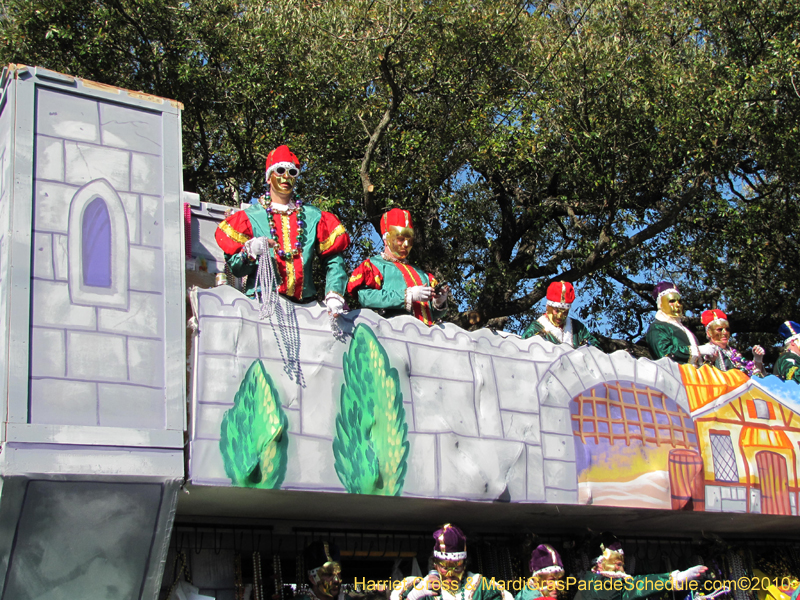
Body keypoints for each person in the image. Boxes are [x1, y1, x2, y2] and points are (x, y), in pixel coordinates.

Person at [214, 144, 350, 315]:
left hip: (305, 310)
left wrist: (334, 294)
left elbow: (333, 260)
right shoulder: (248, 217)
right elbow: (237, 269)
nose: (286, 176)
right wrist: (250, 251)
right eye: (279, 170)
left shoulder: (314, 217)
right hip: (262, 307)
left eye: (292, 172)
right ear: (269, 177)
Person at [347, 208, 449, 326]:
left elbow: (430, 315)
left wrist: (438, 303)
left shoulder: (422, 274)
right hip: (392, 335)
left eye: (409, 239)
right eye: (400, 239)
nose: (405, 245)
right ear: (386, 239)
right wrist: (406, 296)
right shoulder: (374, 266)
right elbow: (365, 297)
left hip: (425, 340)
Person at [390, 524, 513, 600]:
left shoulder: (480, 587)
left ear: (465, 565)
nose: (450, 574)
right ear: (436, 565)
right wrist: (413, 596)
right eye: (445, 567)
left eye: (456, 568)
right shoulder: (418, 587)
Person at [572, 534, 707, 600]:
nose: (622, 570)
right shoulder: (594, 588)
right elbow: (632, 588)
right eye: (618, 565)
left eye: (622, 565)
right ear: (599, 564)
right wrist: (673, 579)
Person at [645, 282, 713, 365]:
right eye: (672, 301)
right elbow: (664, 353)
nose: (678, 305)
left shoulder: (686, 330)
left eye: (679, 301)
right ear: (661, 304)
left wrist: (707, 358)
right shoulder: (657, 327)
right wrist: (697, 350)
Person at [523, 281, 599, 348]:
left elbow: (595, 350)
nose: (560, 316)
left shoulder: (577, 328)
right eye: (556, 311)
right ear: (548, 307)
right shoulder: (535, 329)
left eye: (565, 312)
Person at [698, 309, 765, 377]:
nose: (725, 333)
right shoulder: (704, 352)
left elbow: (754, 377)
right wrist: (711, 361)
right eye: (720, 329)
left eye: (727, 329)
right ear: (709, 333)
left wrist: (757, 359)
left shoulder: (733, 353)